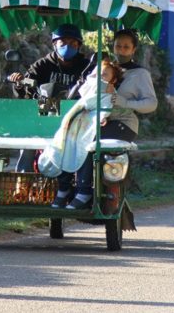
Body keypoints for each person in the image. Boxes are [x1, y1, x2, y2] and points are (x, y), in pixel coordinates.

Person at [52, 29, 158, 209]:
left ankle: (84, 191)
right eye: (118, 46)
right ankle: (64, 187)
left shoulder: (140, 74)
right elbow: (85, 89)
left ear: (133, 50)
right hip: (96, 120)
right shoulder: (103, 68)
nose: (121, 50)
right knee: (68, 135)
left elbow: (151, 103)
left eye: (126, 47)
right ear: (113, 47)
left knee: (88, 140)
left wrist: (125, 102)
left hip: (123, 124)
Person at [8, 23, 90, 170]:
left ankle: (78, 185)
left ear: (78, 46)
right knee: (28, 142)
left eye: (72, 43)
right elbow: (28, 85)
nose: (67, 46)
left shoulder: (86, 66)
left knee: (83, 148)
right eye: (63, 42)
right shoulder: (43, 65)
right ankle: (23, 181)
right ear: (55, 44)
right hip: (44, 116)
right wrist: (19, 82)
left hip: (75, 118)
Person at [38, 60, 122, 182]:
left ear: (113, 80)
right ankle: (63, 185)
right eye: (97, 74)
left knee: (80, 144)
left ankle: (80, 187)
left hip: (86, 124)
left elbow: (103, 106)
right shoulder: (85, 88)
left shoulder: (109, 92)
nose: (99, 78)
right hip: (66, 123)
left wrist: (101, 116)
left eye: (104, 75)